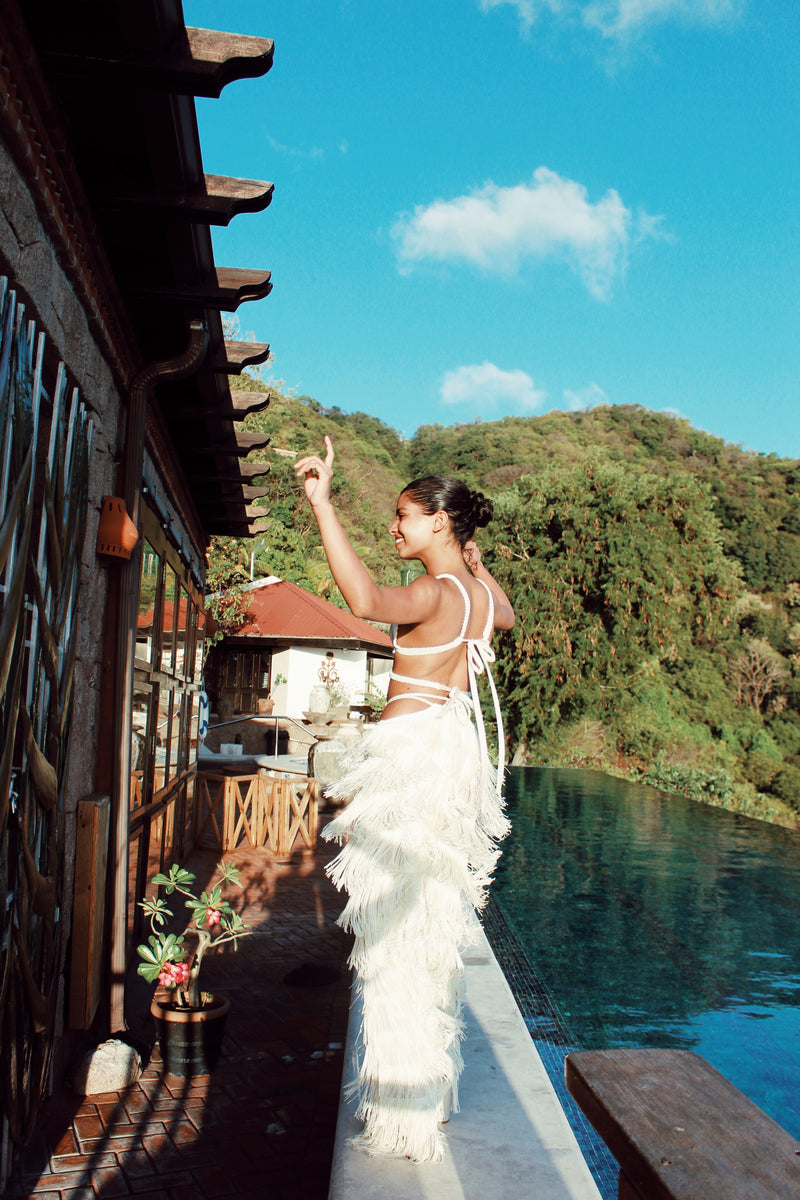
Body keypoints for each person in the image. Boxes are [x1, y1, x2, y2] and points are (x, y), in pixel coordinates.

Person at [294, 435, 515, 1163]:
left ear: (439, 524)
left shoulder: (431, 594)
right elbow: (507, 619)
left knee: (394, 936)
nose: (394, 529)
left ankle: (401, 1110)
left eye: (403, 517)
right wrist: (477, 562)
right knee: (425, 929)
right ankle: (419, 1095)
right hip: (454, 756)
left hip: (413, 756)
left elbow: (361, 599)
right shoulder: (477, 594)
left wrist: (324, 504)